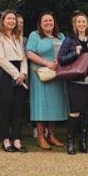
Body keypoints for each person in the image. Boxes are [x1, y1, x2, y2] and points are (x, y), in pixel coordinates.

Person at [57, 11, 88, 155]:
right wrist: (75, 52)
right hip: (75, 81)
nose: (81, 24)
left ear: (87, 24)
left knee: (86, 112)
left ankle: (83, 142)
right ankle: (70, 142)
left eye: (83, 22)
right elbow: (61, 59)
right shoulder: (69, 40)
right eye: (78, 22)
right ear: (75, 24)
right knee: (75, 111)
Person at [26, 12, 69, 149]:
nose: (48, 23)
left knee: (54, 105)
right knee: (41, 105)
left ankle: (52, 135)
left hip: (57, 74)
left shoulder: (60, 36)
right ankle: (40, 136)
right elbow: (29, 53)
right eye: (45, 21)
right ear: (40, 23)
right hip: (41, 75)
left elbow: (67, 51)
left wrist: (60, 60)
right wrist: (46, 63)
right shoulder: (35, 35)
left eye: (50, 20)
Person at [0, 10, 29, 152]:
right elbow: (0, 58)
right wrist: (16, 75)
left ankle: (17, 139)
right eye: (9, 19)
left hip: (20, 72)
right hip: (4, 73)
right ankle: (5, 139)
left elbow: (24, 56)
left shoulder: (18, 37)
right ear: (3, 20)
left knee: (18, 107)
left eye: (14, 19)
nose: (12, 21)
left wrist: (23, 73)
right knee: (5, 107)